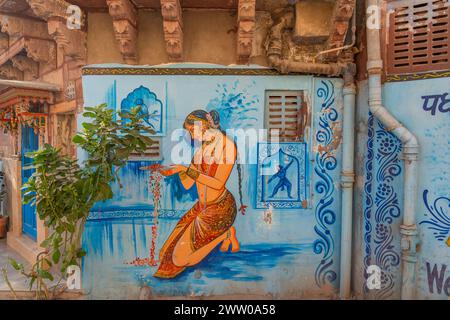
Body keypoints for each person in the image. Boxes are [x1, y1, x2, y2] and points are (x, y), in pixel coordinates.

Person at [150, 110, 244, 279]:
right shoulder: (201, 150)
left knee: (179, 259)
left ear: (203, 125)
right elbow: (188, 183)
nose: (191, 136)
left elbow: (217, 183)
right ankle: (224, 235)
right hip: (201, 207)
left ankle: (226, 233)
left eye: (192, 131)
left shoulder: (227, 146)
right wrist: (175, 171)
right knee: (164, 254)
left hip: (220, 208)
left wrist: (185, 169)